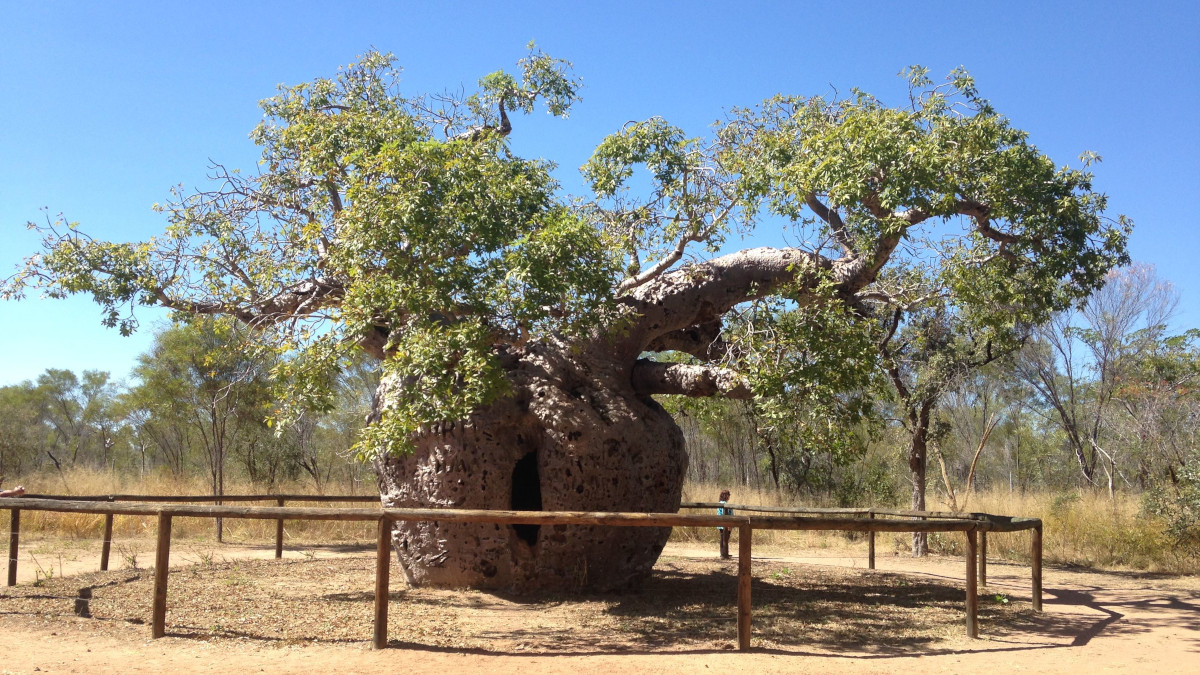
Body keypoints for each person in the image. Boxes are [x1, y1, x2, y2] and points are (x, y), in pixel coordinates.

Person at [717, 489, 732, 559]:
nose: (729, 497)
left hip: (720, 523)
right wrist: (729, 524)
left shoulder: (720, 503)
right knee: (725, 538)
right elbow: (727, 514)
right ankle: (724, 554)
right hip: (726, 523)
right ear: (726, 496)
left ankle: (723, 553)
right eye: (729, 495)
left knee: (723, 538)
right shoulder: (725, 504)